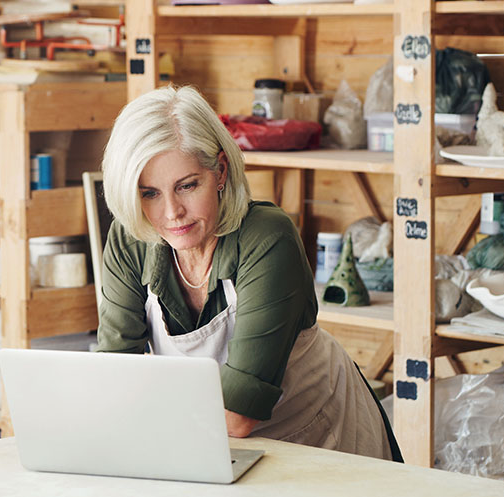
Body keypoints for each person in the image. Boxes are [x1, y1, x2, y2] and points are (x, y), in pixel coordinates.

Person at [95, 85, 401, 461]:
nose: (172, 212)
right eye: (149, 194)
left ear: (220, 171)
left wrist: (140, 407)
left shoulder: (268, 238)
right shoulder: (130, 241)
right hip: (210, 446)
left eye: (187, 186)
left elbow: (238, 415)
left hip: (319, 437)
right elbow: (114, 374)